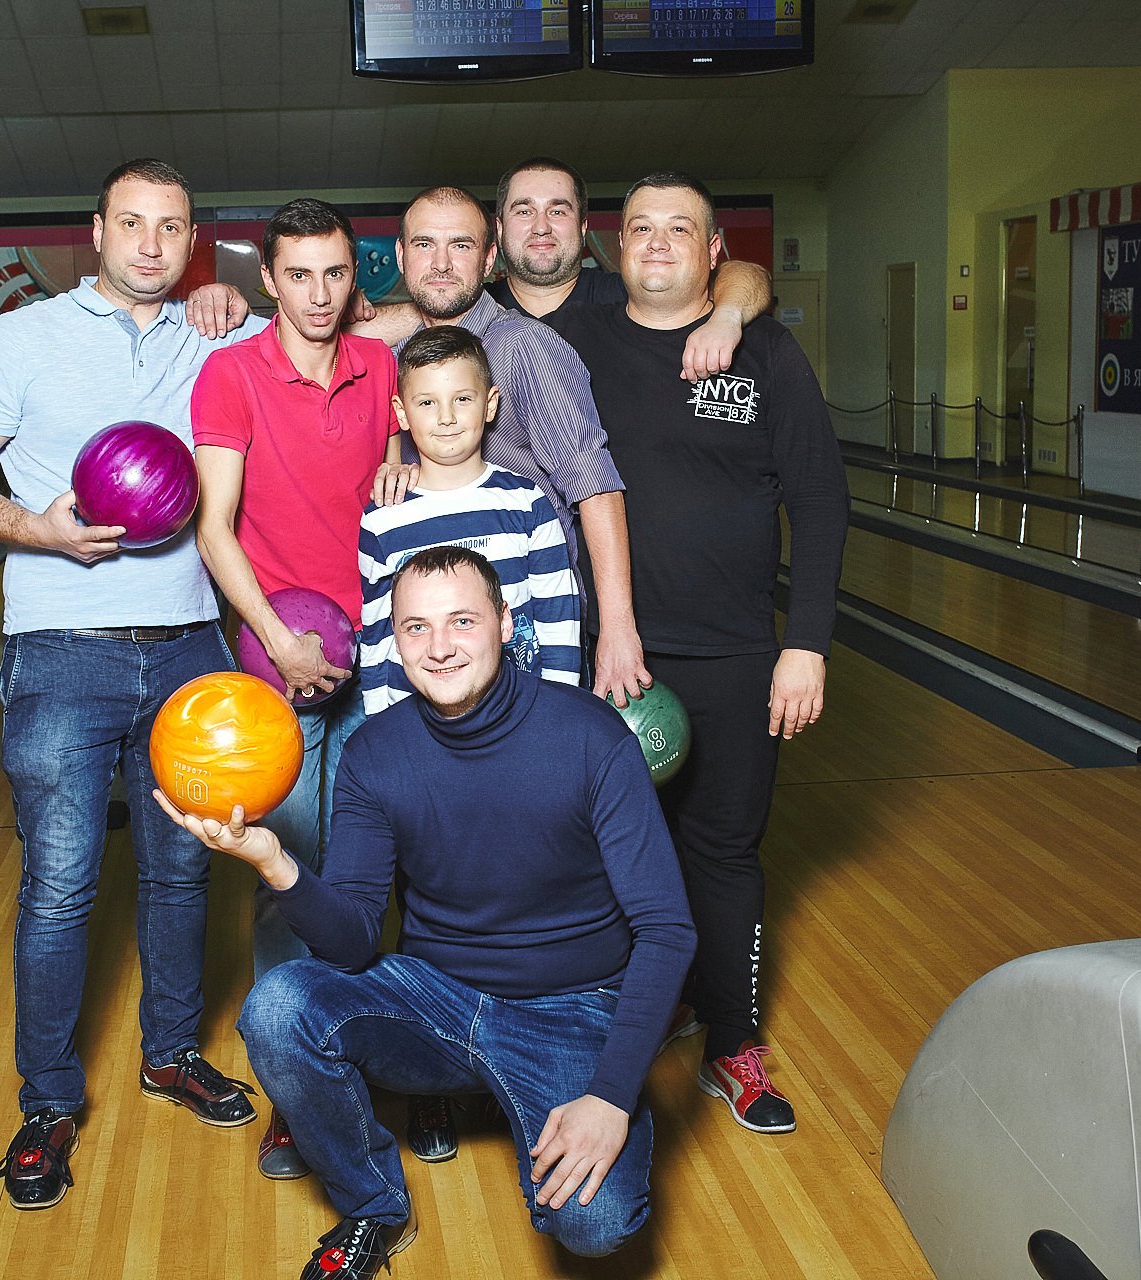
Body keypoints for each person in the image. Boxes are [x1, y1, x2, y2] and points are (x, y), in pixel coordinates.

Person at [156, 547, 695, 1280]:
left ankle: (547, 1094)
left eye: (462, 621)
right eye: (417, 627)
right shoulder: (377, 754)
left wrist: (611, 1095)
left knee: (595, 1227)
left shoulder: (591, 738)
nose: (439, 647)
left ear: (505, 623)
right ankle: (375, 1207)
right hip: (438, 1002)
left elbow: (667, 929)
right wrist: (273, 860)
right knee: (279, 1007)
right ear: (395, 639)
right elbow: (351, 942)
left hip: (570, 1010)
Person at [0, 158, 269, 1212]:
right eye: (132, 223)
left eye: (172, 227)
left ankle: (171, 1052)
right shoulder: (21, 338)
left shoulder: (221, 333)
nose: (151, 245)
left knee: (181, 872)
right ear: (98, 230)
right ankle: (49, 1101)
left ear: (193, 239)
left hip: (190, 644)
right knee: (62, 885)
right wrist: (40, 530)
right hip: (62, 647)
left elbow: (354, 323)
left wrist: (233, 297)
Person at [541, 171, 849, 1136]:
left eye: (682, 229)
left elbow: (821, 500)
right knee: (598, 852)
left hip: (734, 654)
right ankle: (607, 1023)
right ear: (616, 246)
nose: (659, 243)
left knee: (723, 850)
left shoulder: (764, 350)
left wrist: (805, 645)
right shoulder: (574, 342)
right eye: (641, 227)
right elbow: (447, 333)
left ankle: (732, 1041)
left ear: (715, 252)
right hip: (607, 651)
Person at [189, 197, 403, 1180]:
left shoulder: (379, 366)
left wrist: (397, 463)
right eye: (299, 275)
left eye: (335, 273)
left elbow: (389, 474)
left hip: (380, 652)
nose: (318, 294)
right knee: (292, 872)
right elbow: (214, 527)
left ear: (354, 278)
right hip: (280, 659)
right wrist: (279, 642)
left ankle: (368, 1059)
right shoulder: (231, 374)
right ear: (268, 280)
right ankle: (295, 1090)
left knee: (372, 869)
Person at [357, 186, 649, 706]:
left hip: (527, 640)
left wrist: (617, 629)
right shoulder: (395, 357)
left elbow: (594, 486)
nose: (441, 263)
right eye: (424, 244)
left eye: (461, 245)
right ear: (400, 256)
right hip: (429, 656)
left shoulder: (525, 346)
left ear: (490, 256)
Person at [358, 325, 581, 718]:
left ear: (489, 404)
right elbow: (377, 634)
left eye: (462, 399)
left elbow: (558, 617)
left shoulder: (526, 503)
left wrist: (557, 713)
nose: (446, 418)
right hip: (415, 721)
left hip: (517, 714)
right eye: (427, 403)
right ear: (401, 413)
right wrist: (378, 725)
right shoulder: (382, 519)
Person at [488, 156, 773, 383]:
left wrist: (726, 317)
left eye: (558, 211)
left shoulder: (631, 297)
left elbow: (748, 275)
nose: (541, 227)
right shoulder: (476, 311)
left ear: (583, 227)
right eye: (524, 211)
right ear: (499, 229)